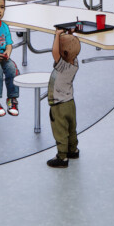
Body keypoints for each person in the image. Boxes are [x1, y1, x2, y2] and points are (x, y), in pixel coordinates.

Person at [46, 26, 81, 168]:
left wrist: (57, 35)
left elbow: (55, 52)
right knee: (71, 128)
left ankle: (62, 157)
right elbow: (71, 48)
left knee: (60, 130)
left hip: (59, 104)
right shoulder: (74, 63)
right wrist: (69, 34)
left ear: (63, 53)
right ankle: (73, 150)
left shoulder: (62, 66)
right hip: (70, 103)